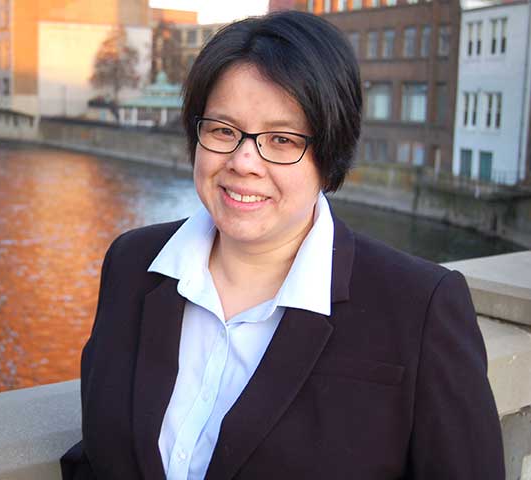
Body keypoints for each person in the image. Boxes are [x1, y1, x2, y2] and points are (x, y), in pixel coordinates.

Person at [61, 11, 504, 480]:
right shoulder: (133, 263)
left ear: (329, 153)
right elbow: (100, 455)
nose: (243, 161)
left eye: (282, 138)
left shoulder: (420, 309)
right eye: (223, 130)